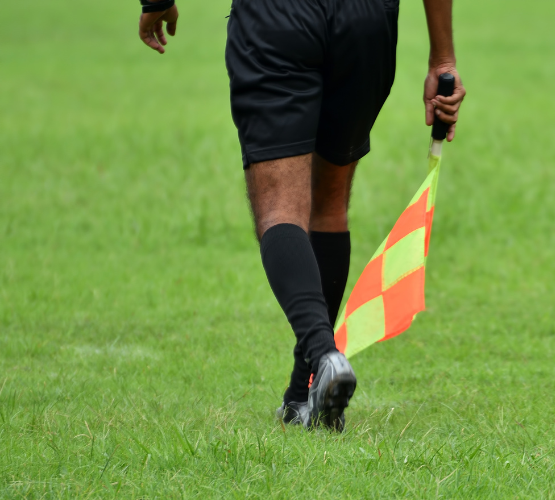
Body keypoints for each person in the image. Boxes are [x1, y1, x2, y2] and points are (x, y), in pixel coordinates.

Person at [136, 0, 465, 431]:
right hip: (366, 22)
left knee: (279, 208)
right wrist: (442, 58)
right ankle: (301, 396)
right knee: (328, 204)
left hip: (279, 17)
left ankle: (325, 356)